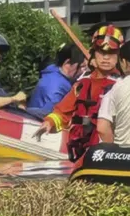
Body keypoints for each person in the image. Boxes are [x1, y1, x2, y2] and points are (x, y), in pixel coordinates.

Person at [38, 24, 124, 159]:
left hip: (107, 150)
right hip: (79, 147)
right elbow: (63, 111)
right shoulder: (82, 83)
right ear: (93, 53)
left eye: (111, 53)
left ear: (119, 56)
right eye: (101, 52)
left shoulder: (122, 85)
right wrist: (50, 122)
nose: (106, 58)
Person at [28, 43, 86, 119]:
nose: (82, 71)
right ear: (67, 63)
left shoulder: (52, 72)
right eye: (81, 67)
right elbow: (49, 115)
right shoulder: (58, 87)